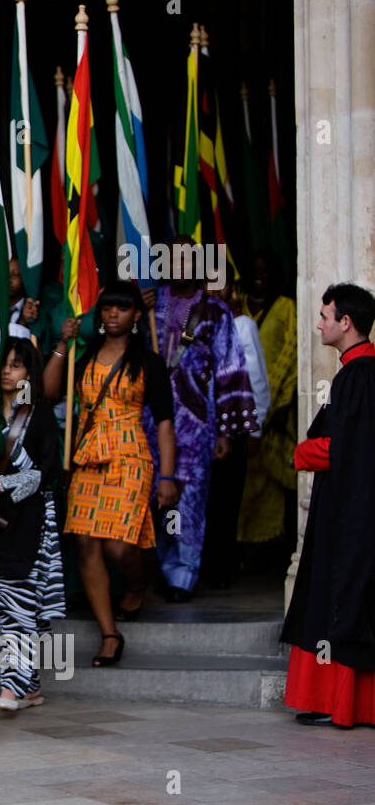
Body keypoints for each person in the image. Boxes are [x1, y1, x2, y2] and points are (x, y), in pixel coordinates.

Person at [44, 282, 177, 664]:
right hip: (88, 458)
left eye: (121, 308)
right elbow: (50, 392)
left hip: (130, 457)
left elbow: (165, 423)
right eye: (106, 308)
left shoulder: (148, 361)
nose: (112, 314)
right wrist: (62, 343)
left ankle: (138, 583)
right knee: (86, 543)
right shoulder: (83, 357)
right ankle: (109, 633)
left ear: (137, 314)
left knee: (119, 546)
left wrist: (167, 477)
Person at [141, 237, 259, 602]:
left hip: (195, 427)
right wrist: (134, 314)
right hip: (144, 421)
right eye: (171, 258)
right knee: (151, 497)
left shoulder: (216, 312)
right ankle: (154, 567)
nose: (178, 264)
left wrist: (227, 431)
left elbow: (231, 370)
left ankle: (182, 574)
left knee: (187, 500)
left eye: (186, 258)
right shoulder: (147, 306)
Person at [282, 283, 375, 729]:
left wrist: (302, 454)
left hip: (348, 512)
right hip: (358, 508)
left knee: (337, 597)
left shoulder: (355, 377)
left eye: (324, 316)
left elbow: (336, 447)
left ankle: (336, 703)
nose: (319, 324)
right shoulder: (361, 373)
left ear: (346, 323)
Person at [0, 338, 64, 709]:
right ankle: (30, 686)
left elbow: (49, 471)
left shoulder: (40, 414)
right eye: (4, 363)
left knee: (15, 597)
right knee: (13, 603)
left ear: (29, 373)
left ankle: (12, 687)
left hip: (30, 518)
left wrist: (2, 482)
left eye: (17, 365)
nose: (8, 370)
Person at [203, 278, 271, 588]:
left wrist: (254, 430)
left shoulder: (242, 325)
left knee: (225, 499)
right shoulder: (192, 321)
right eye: (208, 284)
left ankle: (219, 570)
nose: (215, 291)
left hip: (232, 426)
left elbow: (256, 379)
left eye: (221, 286)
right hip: (196, 431)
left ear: (232, 290)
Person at [238, 250, 298, 560]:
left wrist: (280, 406)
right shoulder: (237, 308)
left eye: (266, 271)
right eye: (255, 270)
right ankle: (242, 548)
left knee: (274, 483)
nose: (259, 276)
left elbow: (294, 358)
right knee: (244, 483)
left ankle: (269, 550)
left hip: (277, 413)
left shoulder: (288, 308)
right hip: (238, 411)